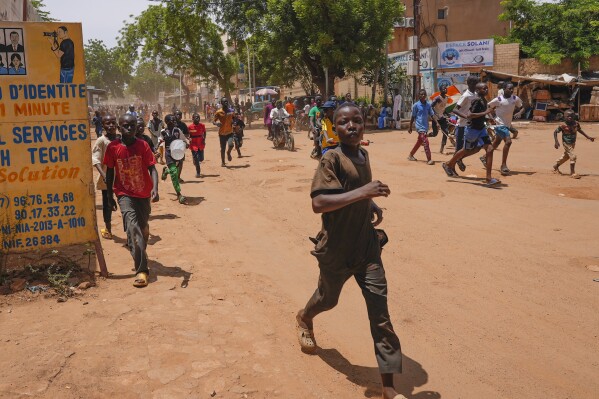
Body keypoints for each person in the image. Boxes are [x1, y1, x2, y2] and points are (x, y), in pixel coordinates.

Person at [296, 102, 404, 399]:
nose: (352, 126)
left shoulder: (363, 153)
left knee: (380, 315)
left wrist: (370, 203)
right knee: (327, 301)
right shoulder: (331, 158)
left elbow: (357, 187)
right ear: (335, 126)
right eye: (345, 122)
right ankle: (305, 318)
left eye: (357, 120)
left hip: (367, 249)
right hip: (336, 251)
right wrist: (364, 193)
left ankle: (389, 388)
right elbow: (319, 203)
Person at [103, 114, 159, 288]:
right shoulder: (113, 148)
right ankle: (142, 270)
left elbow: (152, 168)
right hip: (124, 193)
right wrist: (109, 196)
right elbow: (110, 172)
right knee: (133, 229)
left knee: (142, 230)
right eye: (126, 126)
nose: (129, 128)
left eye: (132, 125)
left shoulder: (142, 145)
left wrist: (155, 188)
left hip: (143, 194)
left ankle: (141, 244)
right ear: (120, 128)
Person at [442, 82, 501, 187]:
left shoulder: (483, 100)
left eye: (487, 88)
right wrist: (485, 112)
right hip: (472, 130)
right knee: (466, 150)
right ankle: (449, 164)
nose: (486, 90)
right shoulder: (476, 101)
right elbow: (470, 115)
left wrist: (488, 118)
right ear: (478, 91)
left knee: (490, 149)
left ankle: (488, 178)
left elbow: (482, 114)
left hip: (481, 129)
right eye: (484, 89)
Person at [481, 82, 523, 175]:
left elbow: (522, 106)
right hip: (499, 124)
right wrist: (491, 117)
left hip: (507, 124)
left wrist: (519, 112)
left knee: (496, 142)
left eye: (512, 88)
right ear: (504, 89)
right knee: (508, 141)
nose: (511, 90)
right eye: (509, 88)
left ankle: (484, 157)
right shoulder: (498, 99)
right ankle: (503, 165)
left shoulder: (515, 98)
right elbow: (488, 106)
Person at [92, 114, 118, 239]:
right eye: (108, 123)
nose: (111, 125)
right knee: (107, 203)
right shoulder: (101, 141)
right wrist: (104, 176)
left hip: (120, 178)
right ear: (103, 125)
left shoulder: (120, 139)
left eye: (113, 122)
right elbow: (95, 160)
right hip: (106, 179)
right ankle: (108, 228)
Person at [553, 110, 595, 179]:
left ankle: (556, 166)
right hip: (566, 143)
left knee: (566, 156)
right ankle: (572, 173)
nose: (570, 118)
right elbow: (555, 132)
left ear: (574, 116)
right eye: (568, 116)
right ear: (564, 117)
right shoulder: (562, 125)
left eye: (571, 116)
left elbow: (579, 130)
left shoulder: (576, 123)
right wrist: (556, 142)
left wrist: (588, 137)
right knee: (573, 156)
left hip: (573, 143)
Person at [158, 114, 189, 203]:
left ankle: (166, 171)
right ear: (167, 121)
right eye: (173, 120)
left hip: (177, 152)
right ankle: (179, 194)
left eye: (175, 120)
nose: (175, 121)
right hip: (168, 153)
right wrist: (157, 149)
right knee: (174, 173)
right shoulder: (163, 131)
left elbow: (183, 139)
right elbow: (160, 141)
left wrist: (186, 143)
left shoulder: (177, 130)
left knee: (174, 169)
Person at [451, 75, 480, 172]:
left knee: (473, 147)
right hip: (462, 125)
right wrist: (466, 116)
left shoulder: (476, 94)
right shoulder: (465, 96)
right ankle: (451, 167)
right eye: (477, 83)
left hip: (471, 126)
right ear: (471, 84)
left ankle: (459, 159)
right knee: (459, 149)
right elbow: (455, 109)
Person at [407, 89, 438, 165]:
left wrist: (436, 122)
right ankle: (429, 159)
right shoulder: (416, 105)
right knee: (425, 142)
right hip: (419, 126)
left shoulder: (428, 105)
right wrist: (410, 126)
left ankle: (411, 155)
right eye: (421, 94)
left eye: (424, 94)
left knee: (419, 142)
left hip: (425, 126)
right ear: (418, 96)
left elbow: (431, 114)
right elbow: (413, 116)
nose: (423, 95)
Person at [213, 97, 235, 167]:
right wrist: (216, 124)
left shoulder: (231, 111)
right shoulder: (218, 112)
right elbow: (213, 121)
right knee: (223, 148)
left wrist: (234, 122)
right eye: (224, 102)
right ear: (221, 103)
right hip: (222, 133)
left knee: (231, 145)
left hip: (229, 132)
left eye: (227, 101)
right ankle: (223, 162)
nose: (226, 103)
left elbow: (234, 118)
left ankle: (228, 153)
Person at [429, 84, 451, 154]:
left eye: (446, 88)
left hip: (442, 117)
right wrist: (434, 114)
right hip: (436, 118)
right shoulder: (437, 98)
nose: (445, 89)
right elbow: (431, 107)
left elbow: (443, 108)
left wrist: (447, 114)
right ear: (440, 90)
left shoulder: (446, 98)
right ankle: (425, 136)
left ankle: (441, 149)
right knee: (435, 134)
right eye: (443, 89)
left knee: (446, 132)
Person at [188, 112, 207, 177]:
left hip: (200, 143)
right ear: (192, 118)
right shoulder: (190, 127)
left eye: (198, 117)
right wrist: (189, 139)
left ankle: (196, 161)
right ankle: (198, 172)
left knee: (201, 159)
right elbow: (188, 135)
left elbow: (204, 132)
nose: (197, 118)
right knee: (196, 159)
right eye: (196, 117)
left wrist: (204, 140)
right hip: (193, 144)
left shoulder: (202, 125)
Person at [174, 110, 190, 181]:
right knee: (174, 162)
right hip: (173, 145)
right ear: (174, 115)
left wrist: (186, 141)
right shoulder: (171, 124)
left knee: (180, 161)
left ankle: (178, 176)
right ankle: (173, 175)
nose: (179, 116)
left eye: (180, 115)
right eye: (177, 114)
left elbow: (187, 134)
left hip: (181, 146)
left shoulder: (183, 125)